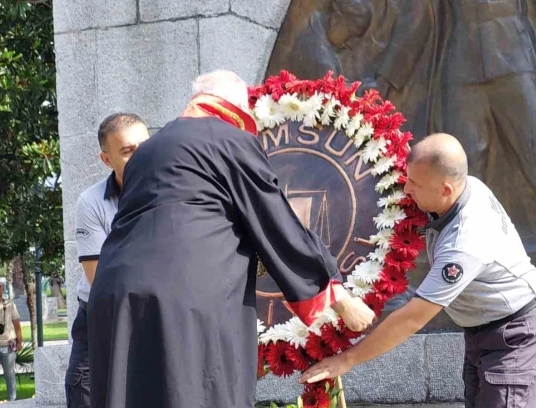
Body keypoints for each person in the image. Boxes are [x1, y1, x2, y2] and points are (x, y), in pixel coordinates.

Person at [87, 69, 376, 408]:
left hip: (116, 293)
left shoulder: (149, 151)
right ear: (236, 107)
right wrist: (339, 297)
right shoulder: (228, 138)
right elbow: (276, 219)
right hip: (183, 299)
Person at [300, 134, 536, 408]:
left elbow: (411, 320)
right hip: (483, 332)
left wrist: (346, 360)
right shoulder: (465, 185)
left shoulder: (466, 243)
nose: (407, 190)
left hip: (515, 336)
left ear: (446, 189)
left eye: (414, 183)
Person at [64, 113, 150, 408]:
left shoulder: (175, 194)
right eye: (127, 151)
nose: (140, 156)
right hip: (100, 317)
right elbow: (100, 279)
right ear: (106, 159)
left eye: (144, 147)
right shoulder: (91, 202)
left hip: (155, 316)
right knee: (86, 396)